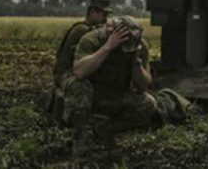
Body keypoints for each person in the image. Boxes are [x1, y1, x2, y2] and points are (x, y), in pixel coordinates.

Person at [66, 15, 158, 153]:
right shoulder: (93, 39)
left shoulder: (140, 46)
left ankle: (104, 130)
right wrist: (107, 47)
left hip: (116, 91)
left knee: (148, 104)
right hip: (91, 91)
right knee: (78, 85)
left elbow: (143, 87)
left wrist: (136, 64)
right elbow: (80, 72)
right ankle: (80, 136)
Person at [43, 0, 111, 124]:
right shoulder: (82, 30)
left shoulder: (89, 30)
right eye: (103, 14)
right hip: (66, 73)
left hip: (76, 69)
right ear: (93, 13)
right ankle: (75, 122)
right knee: (82, 87)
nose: (105, 19)